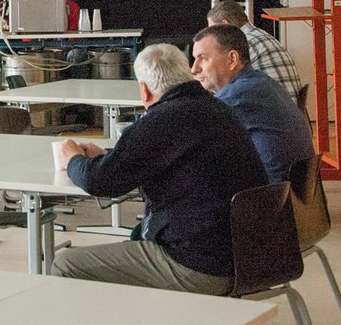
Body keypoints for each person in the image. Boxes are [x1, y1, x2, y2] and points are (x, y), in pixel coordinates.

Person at [51, 43, 267, 295]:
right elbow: (173, 160)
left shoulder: (160, 120)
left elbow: (99, 181)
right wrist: (109, 157)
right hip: (252, 258)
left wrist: (73, 159)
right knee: (134, 240)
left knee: (65, 265)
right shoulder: (217, 108)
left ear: (144, 89)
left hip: (201, 266)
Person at [192, 24, 312, 182]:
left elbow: (190, 132)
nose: (194, 69)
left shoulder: (237, 95)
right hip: (290, 188)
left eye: (203, 58)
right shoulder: (262, 81)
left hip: (269, 191)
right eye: (195, 59)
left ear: (232, 59)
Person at [207, 0, 303, 103]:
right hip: (289, 108)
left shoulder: (244, 42)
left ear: (225, 25)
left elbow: (222, 84)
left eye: (213, 29)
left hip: (274, 109)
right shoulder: (260, 36)